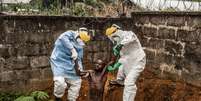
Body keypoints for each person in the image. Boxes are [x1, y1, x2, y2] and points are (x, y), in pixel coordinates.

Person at [105, 24, 146, 101]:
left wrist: (120, 44)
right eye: (112, 38)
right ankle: (120, 80)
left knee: (129, 82)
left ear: (117, 31)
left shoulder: (128, 34)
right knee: (121, 67)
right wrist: (117, 64)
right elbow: (124, 57)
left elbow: (131, 37)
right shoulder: (117, 44)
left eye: (114, 36)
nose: (114, 39)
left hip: (138, 61)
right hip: (128, 62)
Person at [50, 27, 90, 101]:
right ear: (77, 33)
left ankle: (71, 99)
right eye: (80, 38)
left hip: (70, 64)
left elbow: (79, 59)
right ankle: (57, 98)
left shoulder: (81, 46)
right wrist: (72, 49)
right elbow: (62, 38)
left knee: (77, 82)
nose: (81, 41)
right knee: (60, 83)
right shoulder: (69, 34)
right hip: (59, 61)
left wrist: (81, 70)